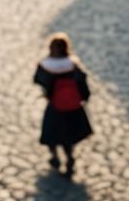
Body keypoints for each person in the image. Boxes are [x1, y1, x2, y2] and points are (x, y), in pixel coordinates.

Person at [34, 33, 92, 177]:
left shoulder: (46, 66)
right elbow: (83, 85)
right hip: (73, 108)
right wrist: (84, 98)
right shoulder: (72, 65)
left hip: (55, 107)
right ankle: (69, 157)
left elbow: (38, 80)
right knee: (68, 136)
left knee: (51, 134)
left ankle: (54, 157)